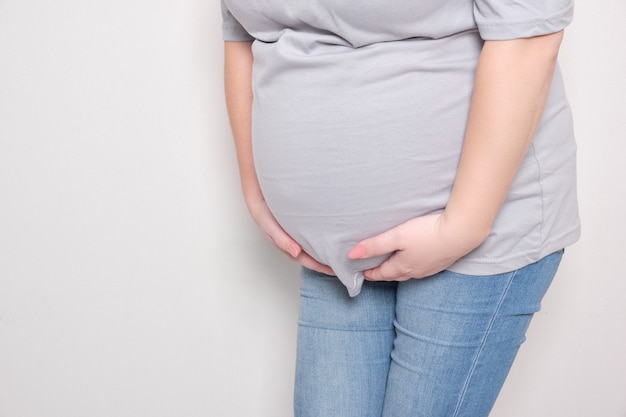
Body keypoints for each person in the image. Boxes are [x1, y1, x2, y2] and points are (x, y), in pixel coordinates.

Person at [221, 0, 580, 416]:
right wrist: (256, 190)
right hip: (334, 256)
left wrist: (459, 229)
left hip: (475, 234)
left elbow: (529, 38)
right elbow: (241, 29)